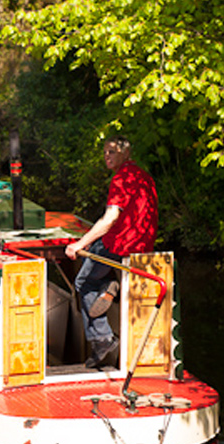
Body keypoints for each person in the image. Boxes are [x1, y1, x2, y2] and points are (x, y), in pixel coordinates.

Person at [64, 136, 158, 369]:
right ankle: (107, 285)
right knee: (97, 259)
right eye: (105, 152)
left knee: (83, 281)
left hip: (120, 245)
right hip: (143, 247)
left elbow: (110, 219)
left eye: (112, 152)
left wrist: (79, 244)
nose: (107, 156)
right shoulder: (143, 176)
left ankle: (101, 339)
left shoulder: (121, 178)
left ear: (126, 154)